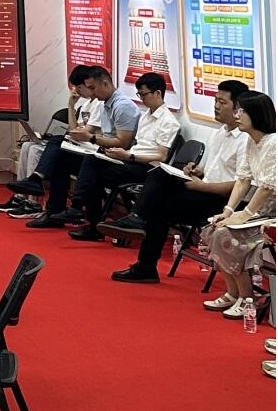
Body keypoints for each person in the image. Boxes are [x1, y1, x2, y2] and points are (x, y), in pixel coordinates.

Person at [102, 79, 250, 283]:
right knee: (159, 174)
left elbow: (239, 186)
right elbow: (214, 170)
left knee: (158, 204)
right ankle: (137, 224)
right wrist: (196, 171)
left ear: (238, 108)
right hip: (203, 189)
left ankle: (144, 255)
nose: (216, 106)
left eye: (222, 102)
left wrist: (202, 185)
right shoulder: (221, 132)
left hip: (225, 203)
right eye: (215, 100)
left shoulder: (245, 140)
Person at [14, 65, 141, 228]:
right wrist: (84, 131)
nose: (92, 93)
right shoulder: (105, 104)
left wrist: (91, 139)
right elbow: (86, 132)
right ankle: (53, 211)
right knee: (60, 156)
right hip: (103, 154)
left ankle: (76, 209)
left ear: (105, 83)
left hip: (117, 158)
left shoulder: (123, 106)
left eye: (93, 88)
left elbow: (123, 143)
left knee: (88, 161)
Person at [64, 72, 180, 241]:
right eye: (139, 95)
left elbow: (161, 156)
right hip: (130, 159)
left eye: (144, 94)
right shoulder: (146, 116)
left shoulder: (168, 121)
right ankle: (86, 217)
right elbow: (137, 145)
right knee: (92, 162)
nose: (142, 99)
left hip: (146, 169)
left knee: (93, 170)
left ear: (157, 93)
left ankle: (79, 210)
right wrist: (120, 154)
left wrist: (129, 155)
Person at [200, 91, 275, 318]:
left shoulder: (273, 144)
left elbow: (267, 187)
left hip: (272, 215)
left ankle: (247, 297)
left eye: (242, 111)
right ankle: (233, 292)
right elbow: (243, 180)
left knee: (228, 237)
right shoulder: (252, 142)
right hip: (261, 212)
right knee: (212, 229)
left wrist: (244, 215)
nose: (237, 115)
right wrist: (228, 211)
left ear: (257, 114)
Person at [0, 65, 102, 217]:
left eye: (80, 87)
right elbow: (74, 129)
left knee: (45, 148)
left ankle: (33, 200)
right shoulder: (86, 104)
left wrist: (76, 130)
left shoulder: (100, 104)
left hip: (88, 151)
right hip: (79, 145)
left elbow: (81, 132)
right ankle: (22, 194)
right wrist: (71, 106)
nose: (77, 91)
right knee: (28, 145)